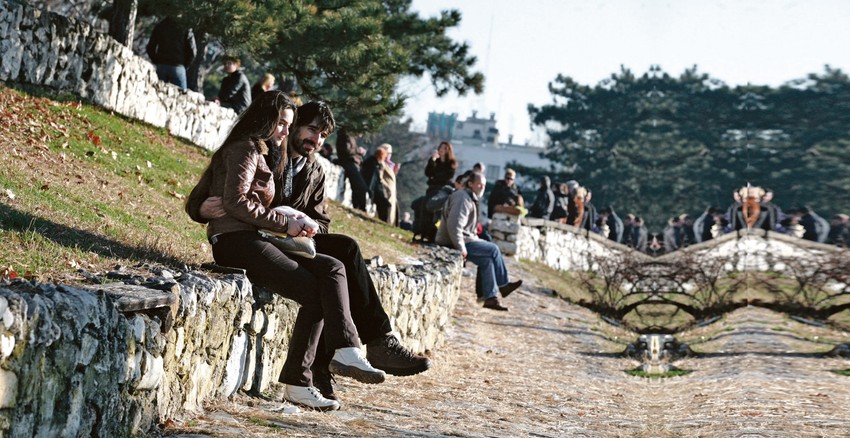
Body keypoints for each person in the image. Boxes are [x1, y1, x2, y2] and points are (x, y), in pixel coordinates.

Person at [195, 101, 431, 403]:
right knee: (324, 279)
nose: (316, 140)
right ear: (293, 126)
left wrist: (305, 224)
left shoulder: (315, 170)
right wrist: (200, 208)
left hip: (291, 238)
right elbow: (224, 195)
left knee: (343, 251)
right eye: (312, 130)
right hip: (257, 235)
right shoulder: (265, 152)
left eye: (322, 136)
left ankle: (373, 342)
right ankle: (325, 366)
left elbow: (322, 221)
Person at [436, 172, 522, 311]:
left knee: (486, 260)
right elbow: (454, 225)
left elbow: (468, 229)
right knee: (493, 249)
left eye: (484, 184)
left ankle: (490, 298)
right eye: (479, 184)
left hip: (464, 239)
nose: (482, 187)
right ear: (470, 184)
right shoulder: (462, 197)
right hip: (453, 242)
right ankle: (504, 286)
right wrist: (460, 247)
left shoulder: (470, 198)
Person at [146, 16, 196, 90]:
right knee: (181, 98)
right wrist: (185, 65)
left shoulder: (161, 25)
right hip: (178, 66)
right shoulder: (186, 27)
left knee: (158, 93)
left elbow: (150, 47)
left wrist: (157, 61)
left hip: (162, 65)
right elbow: (193, 52)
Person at [361, 144, 398, 225]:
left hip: (386, 190)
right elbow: (376, 178)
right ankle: (384, 222)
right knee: (384, 206)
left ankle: (387, 222)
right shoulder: (378, 163)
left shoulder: (388, 164)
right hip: (382, 190)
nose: (389, 155)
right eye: (388, 153)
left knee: (387, 207)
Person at [336, 128, 369, 211]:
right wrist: (359, 150)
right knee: (361, 187)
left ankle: (358, 207)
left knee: (357, 187)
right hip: (348, 163)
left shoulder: (350, 136)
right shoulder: (346, 135)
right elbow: (347, 150)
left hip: (351, 163)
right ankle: (362, 209)